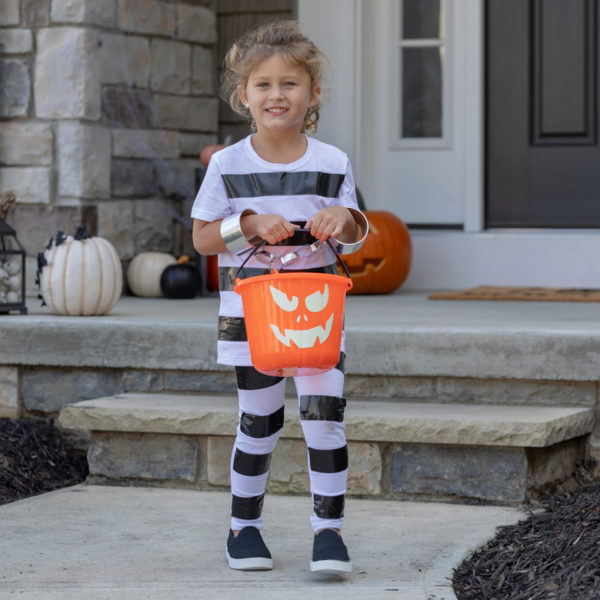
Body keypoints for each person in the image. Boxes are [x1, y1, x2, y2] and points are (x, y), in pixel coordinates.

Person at [191, 19, 368, 574]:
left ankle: (329, 533)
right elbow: (199, 238)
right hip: (251, 315)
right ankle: (243, 528)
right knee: (259, 420)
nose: (276, 95)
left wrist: (343, 217)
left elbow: (358, 232)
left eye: (290, 84)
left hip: (316, 313)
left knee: (325, 418)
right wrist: (246, 222)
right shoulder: (227, 164)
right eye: (263, 84)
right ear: (244, 95)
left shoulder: (333, 161)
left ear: (313, 95)